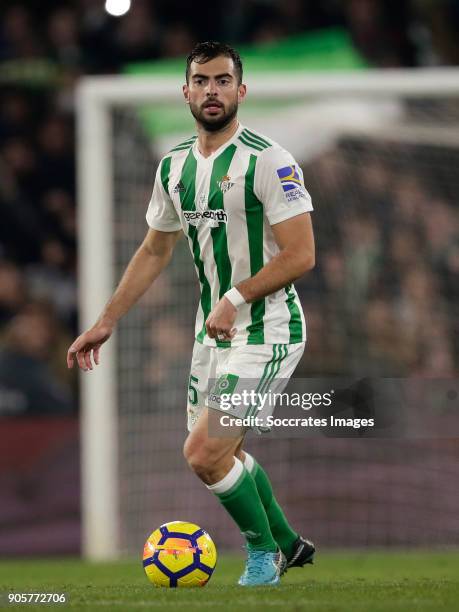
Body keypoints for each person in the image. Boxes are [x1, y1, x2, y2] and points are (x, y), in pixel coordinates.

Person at [67, 41, 316, 586]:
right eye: (201, 81)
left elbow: (302, 255)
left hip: (268, 329)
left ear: (241, 91)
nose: (212, 90)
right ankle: (289, 543)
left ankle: (262, 552)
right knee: (223, 456)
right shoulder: (174, 166)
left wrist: (235, 297)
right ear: (185, 92)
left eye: (223, 80)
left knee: (204, 451)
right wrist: (107, 319)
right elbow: (155, 248)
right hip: (214, 335)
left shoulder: (270, 160)